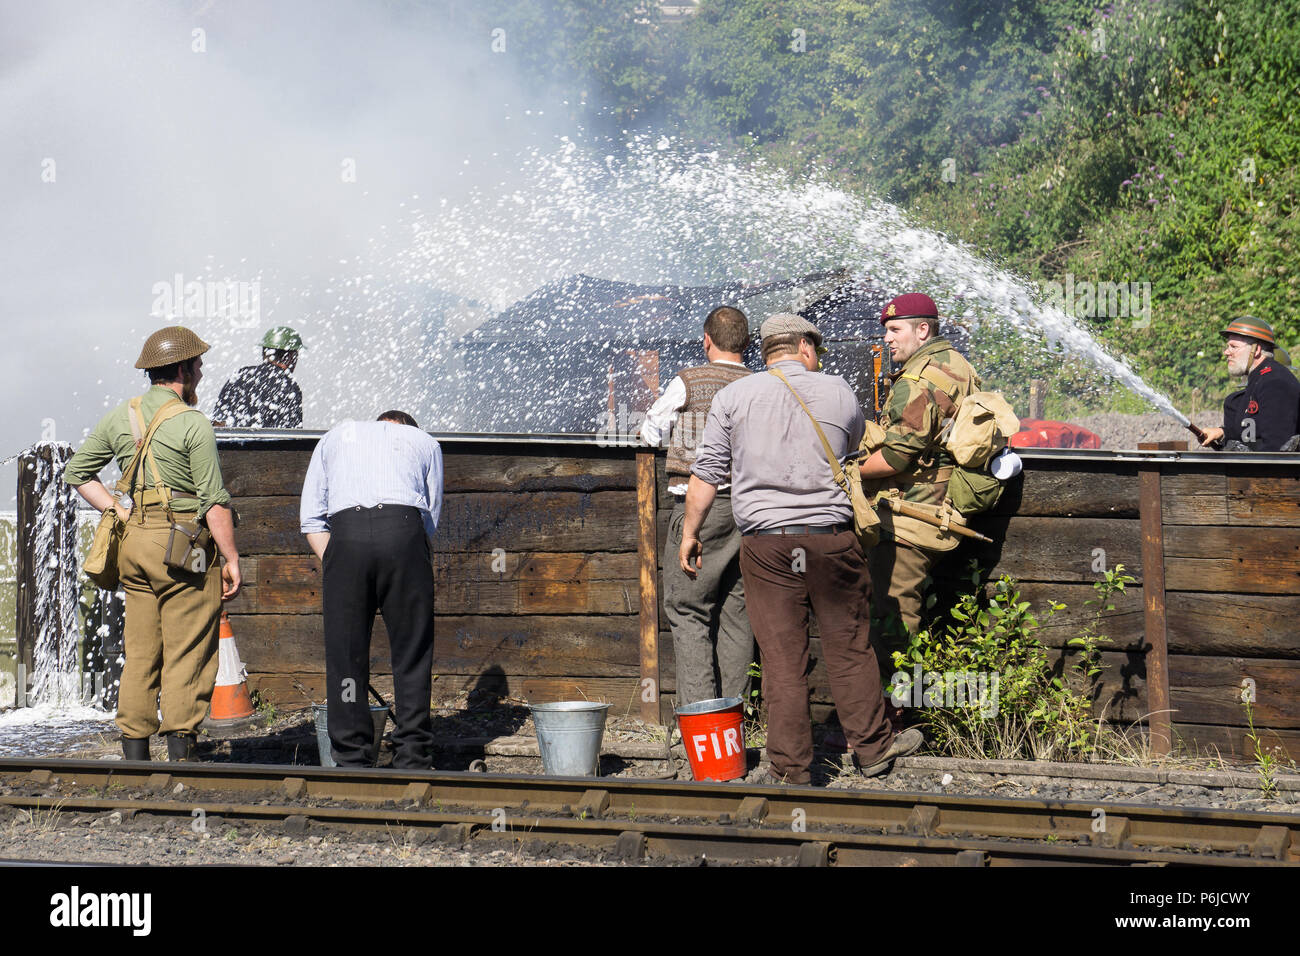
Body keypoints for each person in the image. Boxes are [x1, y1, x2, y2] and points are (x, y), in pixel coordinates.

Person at [682, 313, 922, 785]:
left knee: (781, 659)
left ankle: (791, 770)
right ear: (806, 348)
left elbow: (707, 472)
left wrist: (691, 532)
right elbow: (851, 450)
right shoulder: (838, 391)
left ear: (766, 351)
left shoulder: (734, 397)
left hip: (767, 547)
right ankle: (872, 750)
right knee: (850, 647)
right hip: (832, 540)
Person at [64, 326, 242, 762]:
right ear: (182, 369)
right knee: (188, 648)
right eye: (197, 364)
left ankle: (135, 755)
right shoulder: (192, 423)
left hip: (134, 543)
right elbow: (214, 502)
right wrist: (232, 557)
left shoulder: (121, 416)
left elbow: (77, 473)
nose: (201, 370)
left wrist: (121, 511)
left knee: (140, 651)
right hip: (181, 543)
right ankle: (180, 752)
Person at [299, 410, 443, 769]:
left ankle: (352, 757)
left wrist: (337, 558)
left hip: (345, 538)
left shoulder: (335, 436)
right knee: (411, 652)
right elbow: (430, 519)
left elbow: (310, 518)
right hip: (403, 533)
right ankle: (412, 755)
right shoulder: (425, 442)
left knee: (346, 656)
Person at [857, 294, 981, 679]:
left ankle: (899, 721)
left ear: (922, 330)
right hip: (946, 511)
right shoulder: (958, 364)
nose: (888, 339)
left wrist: (850, 472)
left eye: (895, 330)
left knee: (893, 617)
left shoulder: (917, 380)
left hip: (911, 518)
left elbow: (896, 458)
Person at [641, 305, 755, 706]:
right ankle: (736, 720)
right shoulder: (763, 384)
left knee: (689, 611)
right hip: (751, 513)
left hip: (698, 511)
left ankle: (702, 722)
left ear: (706, 340)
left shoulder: (689, 380)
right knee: (737, 615)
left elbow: (651, 430)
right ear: (745, 342)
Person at [1198, 317, 1300, 452]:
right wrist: (1222, 432)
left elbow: (1276, 449)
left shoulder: (1275, 382)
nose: (1226, 352)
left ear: (1256, 350)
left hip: (1268, 472)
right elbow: (1253, 432)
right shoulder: (1259, 379)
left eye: (1233, 347)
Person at [212, 326, 306, 428]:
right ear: (291, 357)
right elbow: (292, 435)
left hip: (232, 443)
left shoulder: (239, 376)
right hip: (267, 444)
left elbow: (218, 424)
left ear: (264, 353)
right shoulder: (288, 386)